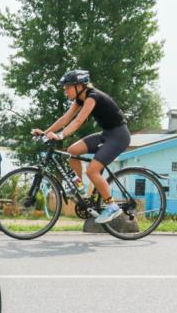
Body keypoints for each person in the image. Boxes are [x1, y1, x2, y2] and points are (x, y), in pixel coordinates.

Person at [32, 70, 131, 224]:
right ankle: (79, 187)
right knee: (72, 151)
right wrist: (45, 132)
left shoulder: (93, 97)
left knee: (92, 170)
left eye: (67, 87)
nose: (65, 91)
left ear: (79, 86)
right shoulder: (80, 99)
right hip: (107, 134)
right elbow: (65, 118)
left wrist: (60, 136)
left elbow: (78, 121)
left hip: (119, 137)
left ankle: (112, 206)